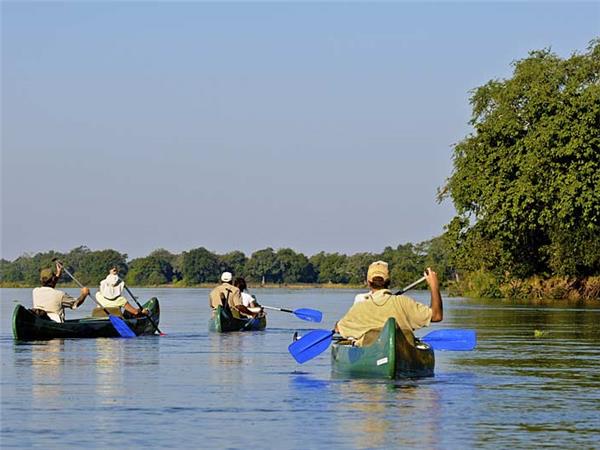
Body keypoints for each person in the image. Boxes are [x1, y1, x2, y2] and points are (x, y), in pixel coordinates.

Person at [335, 261, 443, 346]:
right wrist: (434, 285)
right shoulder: (404, 302)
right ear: (388, 282)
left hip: (371, 352)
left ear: (368, 282)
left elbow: (338, 329)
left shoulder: (359, 307)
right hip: (402, 352)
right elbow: (437, 316)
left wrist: (338, 325)